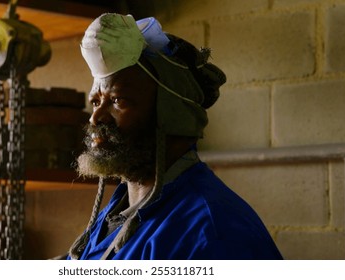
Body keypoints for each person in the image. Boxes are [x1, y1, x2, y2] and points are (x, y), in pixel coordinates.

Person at [66, 13, 283, 260]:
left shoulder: (213, 232)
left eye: (117, 101)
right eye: (96, 102)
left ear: (172, 114)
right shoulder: (118, 213)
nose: (96, 118)